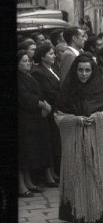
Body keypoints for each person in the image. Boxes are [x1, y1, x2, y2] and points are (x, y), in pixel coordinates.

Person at [53, 54, 103, 223]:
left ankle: (102, 212)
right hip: (75, 140)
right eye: (80, 70)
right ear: (75, 70)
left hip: (97, 139)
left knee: (99, 171)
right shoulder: (67, 90)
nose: (83, 74)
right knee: (77, 173)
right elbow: (58, 114)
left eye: (87, 70)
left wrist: (99, 117)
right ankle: (78, 213)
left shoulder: (102, 89)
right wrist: (75, 120)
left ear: (93, 71)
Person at [18, 50, 54, 197]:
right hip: (23, 119)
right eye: (24, 61)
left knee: (29, 153)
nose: (28, 63)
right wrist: (42, 105)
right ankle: (21, 185)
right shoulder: (18, 78)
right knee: (22, 153)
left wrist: (45, 105)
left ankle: (29, 182)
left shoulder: (29, 76)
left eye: (28, 61)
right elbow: (25, 97)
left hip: (34, 118)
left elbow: (39, 93)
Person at [31, 44, 61, 182]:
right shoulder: (38, 71)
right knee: (51, 141)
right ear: (42, 56)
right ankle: (49, 174)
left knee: (56, 141)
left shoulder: (53, 68)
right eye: (50, 54)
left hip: (58, 108)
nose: (54, 55)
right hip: (49, 110)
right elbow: (48, 92)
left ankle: (54, 172)